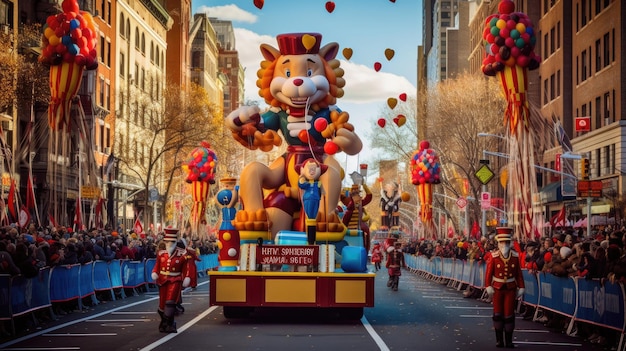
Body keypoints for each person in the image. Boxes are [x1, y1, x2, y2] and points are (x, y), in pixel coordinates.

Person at [485, 227, 525, 348]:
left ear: (509, 243)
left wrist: (522, 287)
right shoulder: (494, 256)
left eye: (506, 242)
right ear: (498, 243)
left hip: (511, 289)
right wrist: (488, 285)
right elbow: (489, 273)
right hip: (497, 288)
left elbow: (518, 274)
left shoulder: (515, 256)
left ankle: (508, 340)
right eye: (502, 242)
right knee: (497, 314)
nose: (504, 245)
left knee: (509, 315)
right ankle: (499, 340)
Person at [151, 228, 191, 333]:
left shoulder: (182, 254)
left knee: (170, 302)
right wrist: (155, 272)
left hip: (175, 280)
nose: (170, 244)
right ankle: (166, 323)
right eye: (168, 241)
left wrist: (187, 277)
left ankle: (168, 323)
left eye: (172, 242)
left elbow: (186, 268)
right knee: (162, 305)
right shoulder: (161, 254)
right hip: (162, 280)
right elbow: (157, 265)